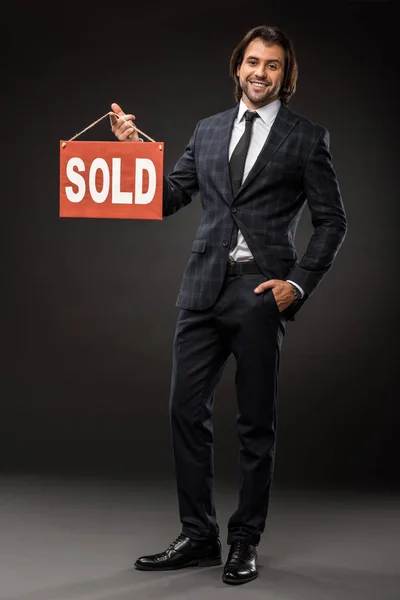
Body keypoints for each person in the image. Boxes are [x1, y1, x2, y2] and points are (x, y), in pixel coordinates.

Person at [109, 24, 347, 586]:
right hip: (201, 289)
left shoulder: (306, 137)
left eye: (273, 65)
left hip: (261, 292)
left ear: (286, 77)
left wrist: (300, 284)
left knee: (254, 423)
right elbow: (168, 198)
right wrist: (134, 147)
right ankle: (198, 536)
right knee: (183, 411)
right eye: (253, 62)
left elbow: (333, 220)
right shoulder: (208, 130)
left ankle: (244, 539)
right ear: (238, 66)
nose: (260, 73)